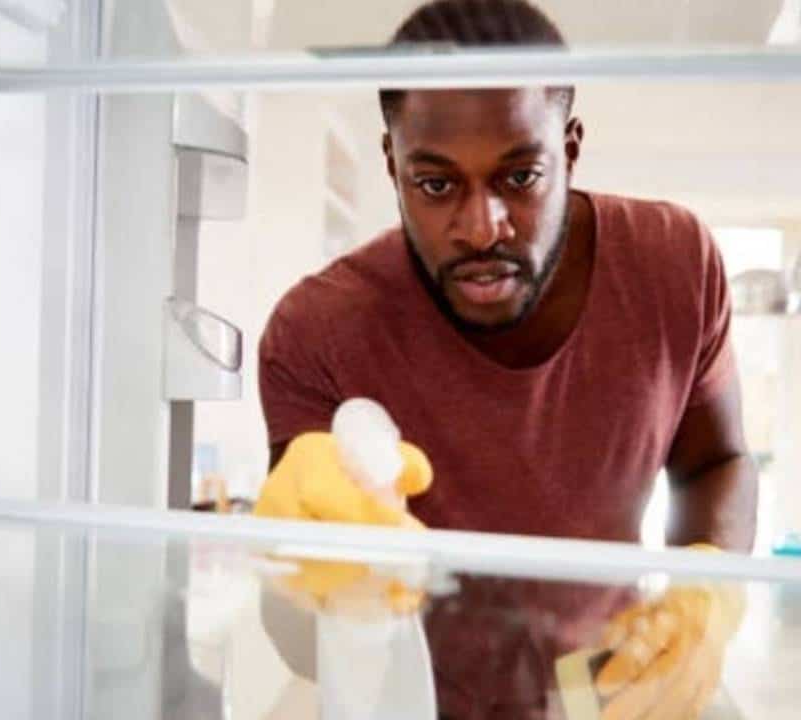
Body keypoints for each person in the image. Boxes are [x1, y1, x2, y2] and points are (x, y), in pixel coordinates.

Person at [253, 1, 758, 717]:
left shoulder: (676, 263)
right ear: (393, 163)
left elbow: (718, 460)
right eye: (435, 185)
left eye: (520, 178)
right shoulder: (316, 330)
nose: (482, 227)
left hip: (611, 692)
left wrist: (709, 582)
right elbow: (304, 623)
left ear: (571, 147)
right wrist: (296, 572)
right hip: (415, 702)